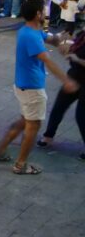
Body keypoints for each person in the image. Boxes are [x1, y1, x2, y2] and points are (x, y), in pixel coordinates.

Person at [0, 0, 79, 175]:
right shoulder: (31, 36)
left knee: (24, 121)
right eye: (43, 10)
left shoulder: (29, 30)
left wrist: (63, 39)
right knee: (33, 126)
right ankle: (20, 164)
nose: (45, 12)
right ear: (38, 14)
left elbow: (52, 39)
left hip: (23, 86)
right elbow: (47, 60)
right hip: (32, 89)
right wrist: (66, 81)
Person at [37, 30, 85, 161]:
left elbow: (76, 55)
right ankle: (48, 136)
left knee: (81, 116)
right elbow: (71, 46)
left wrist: (77, 59)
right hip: (74, 76)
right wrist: (64, 46)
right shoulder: (82, 34)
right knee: (59, 106)